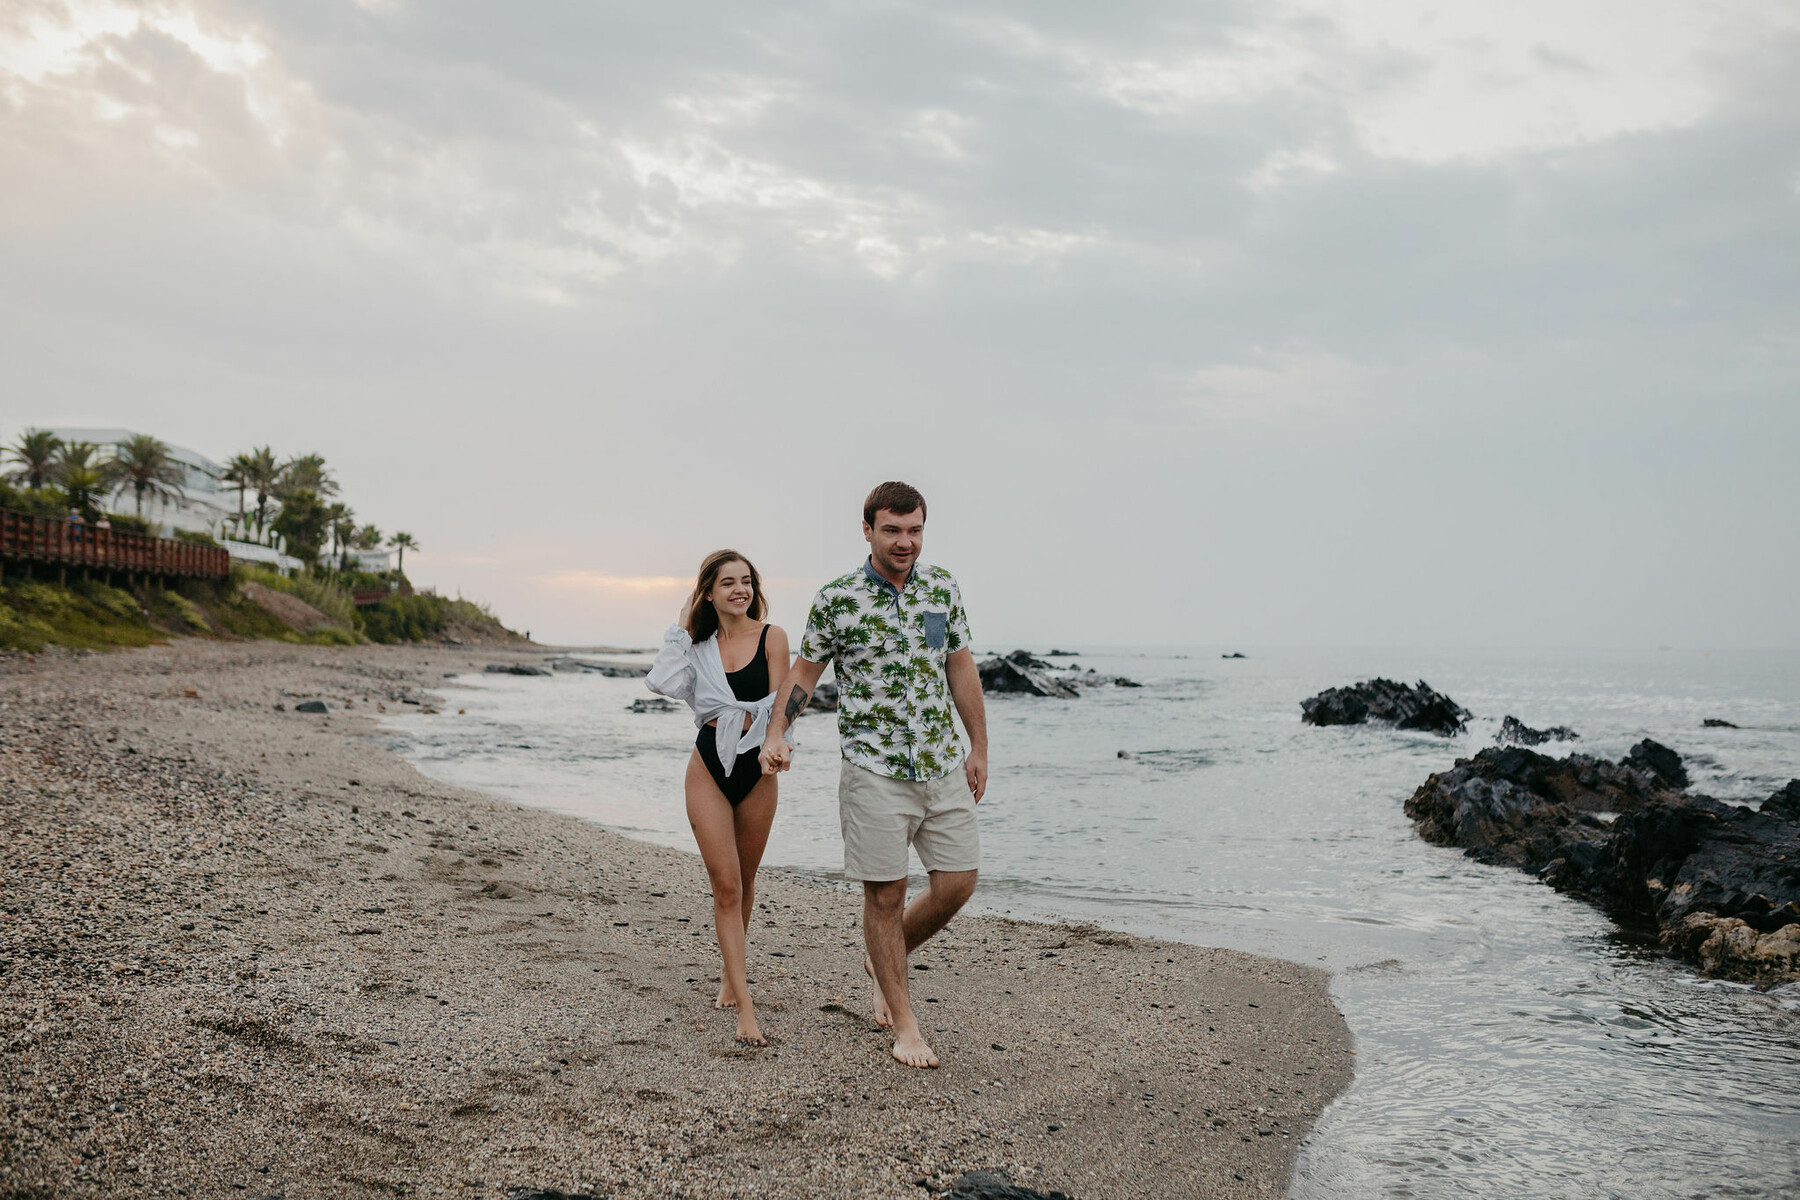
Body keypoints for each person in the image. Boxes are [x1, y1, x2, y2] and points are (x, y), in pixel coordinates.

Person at [760, 481, 988, 1068]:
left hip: (940, 762)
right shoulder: (838, 599)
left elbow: (960, 668)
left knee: (957, 882)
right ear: (868, 531)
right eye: (892, 530)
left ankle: (882, 957)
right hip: (874, 769)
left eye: (914, 530)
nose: (905, 541)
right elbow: (805, 675)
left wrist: (978, 747)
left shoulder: (943, 589)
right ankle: (906, 1024)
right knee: (884, 896)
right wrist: (778, 731)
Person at [645, 550, 790, 1047]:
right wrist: (686, 626)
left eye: (746, 581)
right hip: (707, 766)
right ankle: (744, 1006)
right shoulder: (698, 645)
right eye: (727, 583)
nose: (739, 590)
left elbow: (781, 708)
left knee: (746, 879)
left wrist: (777, 745)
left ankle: (731, 974)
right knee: (725, 885)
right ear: (708, 591)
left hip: (758, 767)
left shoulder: (773, 638)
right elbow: (661, 681)